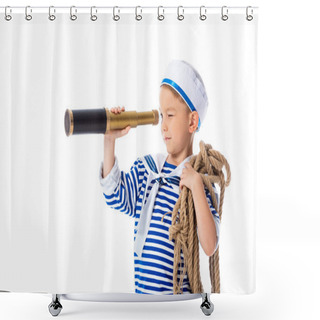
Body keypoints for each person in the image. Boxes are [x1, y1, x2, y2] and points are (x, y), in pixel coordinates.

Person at [99, 60, 220, 295]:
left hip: (178, 305)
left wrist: (195, 187)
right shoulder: (148, 170)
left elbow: (209, 245)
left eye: (171, 115)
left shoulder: (200, 181)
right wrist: (109, 141)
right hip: (143, 302)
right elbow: (115, 196)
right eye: (162, 115)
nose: (163, 125)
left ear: (192, 121)